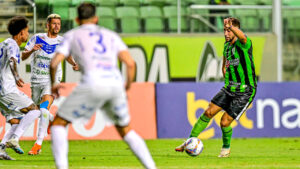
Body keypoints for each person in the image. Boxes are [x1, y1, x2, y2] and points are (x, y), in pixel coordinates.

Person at [49, 3, 156, 169]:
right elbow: (130, 63)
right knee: (126, 129)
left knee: (58, 123)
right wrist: (127, 85)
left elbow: (54, 63)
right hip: (115, 84)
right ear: (96, 18)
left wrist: (54, 84)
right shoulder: (110, 35)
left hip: (92, 83)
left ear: (77, 19)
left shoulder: (72, 35)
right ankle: (152, 167)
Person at [175, 17, 257, 157]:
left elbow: (242, 37)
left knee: (224, 122)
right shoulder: (226, 46)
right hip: (229, 87)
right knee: (208, 112)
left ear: (236, 30)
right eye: (224, 30)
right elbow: (225, 63)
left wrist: (232, 28)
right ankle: (189, 141)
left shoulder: (244, 44)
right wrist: (225, 71)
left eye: (229, 31)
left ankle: (225, 149)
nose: (226, 33)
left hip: (245, 91)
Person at [21, 13, 78, 155]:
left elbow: (67, 55)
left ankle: (38, 144)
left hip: (52, 80)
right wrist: (32, 50)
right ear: (47, 25)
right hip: (35, 80)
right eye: (54, 23)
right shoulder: (37, 38)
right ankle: (52, 120)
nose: (57, 26)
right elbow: (23, 56)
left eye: (58, 24)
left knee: (44, 108)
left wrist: (74, 64)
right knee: (37, 111)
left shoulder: (62, 41)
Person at [0, 16, 42, 160]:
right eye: (27, 31)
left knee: (15, 121)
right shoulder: (13, 44)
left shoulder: (3, 44)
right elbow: (12, 61)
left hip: (1, 91)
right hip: (7, 90)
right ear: (21, 33)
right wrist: (17, 76)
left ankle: (1, 149)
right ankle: (15, 139)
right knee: (35, 110)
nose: (28, 34)